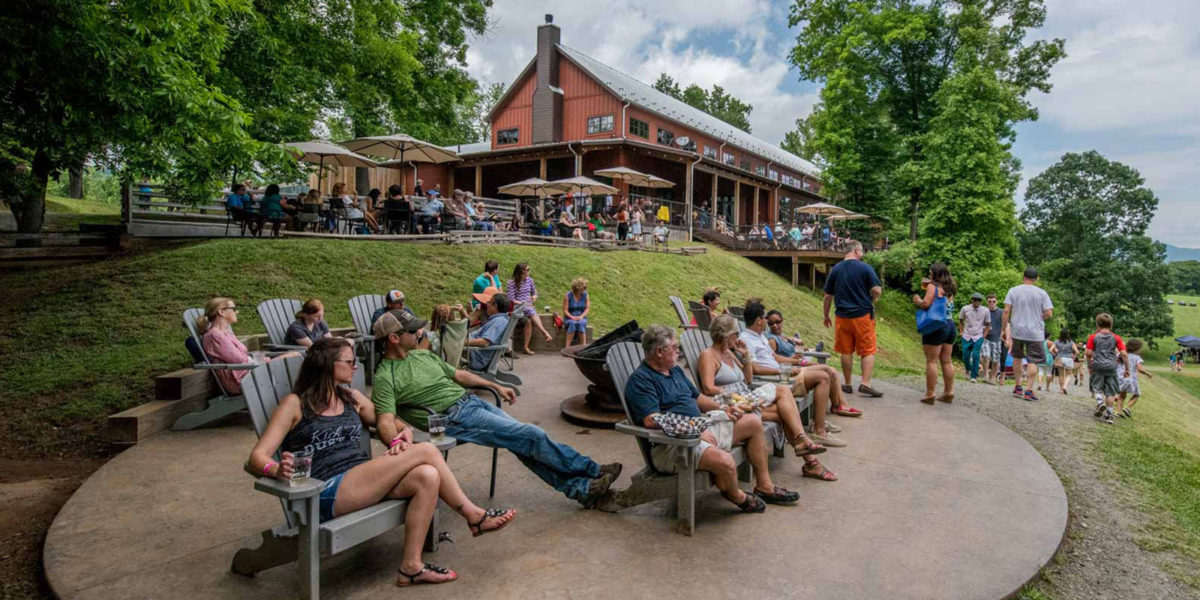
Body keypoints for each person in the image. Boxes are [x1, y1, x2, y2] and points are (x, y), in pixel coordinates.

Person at [247, 338, 516, 586]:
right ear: (327, 364)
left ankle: (411, 567)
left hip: (363, 480)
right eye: (349, 361)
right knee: (425, 451)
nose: (355, 366)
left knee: (427, 476)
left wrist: (402, 430)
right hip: (325, 491)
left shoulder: (351, 398)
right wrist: (276, 469)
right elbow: (257, 458)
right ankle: (474, 516)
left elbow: (386, 419)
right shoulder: (294, 405)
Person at [370, 310, 621, 507]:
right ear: (394, 338)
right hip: (452, 419)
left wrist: (495, 386)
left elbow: (459, 375)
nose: (419, 332)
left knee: (522, 442)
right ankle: (591, 470)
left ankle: (581, 490)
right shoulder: (385, 377)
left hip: (473, 404)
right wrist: (398, 446)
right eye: (412, 330)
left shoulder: (421, 356)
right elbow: (384, 421)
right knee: (531, 434)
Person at [624, 325, 799, 512]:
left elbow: (698, 398)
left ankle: (764, 485)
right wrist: (694, 430)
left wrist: (724, 407)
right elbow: (652, 420)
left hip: (701, 429)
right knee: (725, 462)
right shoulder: (641, 380)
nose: (678, 351)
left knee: (753, 422)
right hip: (674, 445)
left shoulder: (674, 371)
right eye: (674, 348)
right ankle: (737, 496)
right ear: (659, 352)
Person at [697, 316, 839, 482]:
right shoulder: (708, 355)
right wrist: (736, 398)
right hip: (731, 404)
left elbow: (747, 379)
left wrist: (746, 355)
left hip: (746, 398)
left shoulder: (728, 353)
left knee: (783, 397)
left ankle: (806, 449)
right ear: (726, 335)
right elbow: (708, 388)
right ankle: (810, 459)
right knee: (783, 409)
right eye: (736, 334)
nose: (738, 338)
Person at [739, 303, 854, 446]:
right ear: (758, 320)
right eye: (765, 318)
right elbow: (755, 369)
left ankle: (820, 422)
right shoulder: (746, 339)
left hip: (782, 374)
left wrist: (799, 363)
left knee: (827, 370)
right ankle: (819, 431)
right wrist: (784, 370)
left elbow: (776, 357)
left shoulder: (760, 336)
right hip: (774, 380)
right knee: (823, 377)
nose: (767, 322)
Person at [195, 297, 297, 394]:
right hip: (241, 380)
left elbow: (242, 357)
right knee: (294, 358)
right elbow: (239, 359)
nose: (237, 312)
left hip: (249, 372)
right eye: (233, 309)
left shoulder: (226, 333)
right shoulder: (214, 336)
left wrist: (261, 361)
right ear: (221, 312)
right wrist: (260, 362)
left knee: (295, 357)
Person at [823, 241, 884, 397]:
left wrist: (826, 315)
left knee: (846, 350)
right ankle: (865, 383)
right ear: (857, 251)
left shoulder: (835, 269)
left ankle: (848, 383)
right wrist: (872, 300)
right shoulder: (865, 268)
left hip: (842, 316)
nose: (862, 254)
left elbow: (828, 296)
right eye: (861, 251)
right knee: (868, 350)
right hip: (862, 315)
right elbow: (877, 290)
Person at [1001, 267, 1054, 402]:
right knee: (1034, 360)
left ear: (1023, 277)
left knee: (1017, 357)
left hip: (1017, 330)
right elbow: (1049, 313)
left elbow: (1006, 311)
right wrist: (1040, 317)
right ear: (1036, 279)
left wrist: (1004, 328)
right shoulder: (1041, 293)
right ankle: (1029, 391)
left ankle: (1018, 386)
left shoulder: (1013, 290)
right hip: (1035, 332)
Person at [912, 263, 958, 404]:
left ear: (936, 274)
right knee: (947, 361)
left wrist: (918, 301)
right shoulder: (950, 288)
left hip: (937, 325)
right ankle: (949, 392)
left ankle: (930, 394)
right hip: (950, 325)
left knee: (932, 361)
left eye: (931, 272)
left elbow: (926, 304)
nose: (929, 274)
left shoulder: (933, 286)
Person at [1086, 313, 1130, 425]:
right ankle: (1109, 415)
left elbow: (1088, 353)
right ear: (1111, 324)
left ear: (1097, 324)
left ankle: (1100, 402)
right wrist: (1127, 369)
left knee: (1096, 387)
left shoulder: (1093, 337)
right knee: (1110, 391)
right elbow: (1124, 354)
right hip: (1111, 366)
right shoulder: (1116, 338)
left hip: (1097, 365)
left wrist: (1089, 366)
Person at [507, 262, 554, 354]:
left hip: (528, 306)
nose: (528, 272)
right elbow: (511, 299)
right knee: (530, 311)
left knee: (530, 315)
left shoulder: (529, 280)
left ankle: (526, 346)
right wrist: (522, 303)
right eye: (527, 270)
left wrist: (534, 297)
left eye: (529, 270)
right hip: (517, 307)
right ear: (521, 272)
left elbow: (534, 292)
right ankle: (544, 332)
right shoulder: (512, 283)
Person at [466, 292, 511, 371]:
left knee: (446, 344)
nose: (487, 304)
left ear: (495, 306)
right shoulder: (498, 319)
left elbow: (485, 342)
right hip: (474, 351)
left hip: (475, 357)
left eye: (489, 302)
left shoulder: (499, 321)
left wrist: (462, 342)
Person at [1116, 338, 1152, 418]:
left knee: (1122, 396)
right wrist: (1148, 373)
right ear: (1137, 349)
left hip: (1120, 377)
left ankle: (1118, 412)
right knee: (1137, 394)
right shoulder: (1137, 357)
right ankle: (1127, 407)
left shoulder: (1121, 354)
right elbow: (1140, 369)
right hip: (1130, 379)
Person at [958, 292, 989, 383]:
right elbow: (960, 320)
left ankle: (974, 376)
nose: (977, 302)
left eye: (979, 300)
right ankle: (968, 368)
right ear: (972, 300)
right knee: (965, 355)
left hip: (978, 335)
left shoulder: (985, 310)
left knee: (976, 355)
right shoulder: (965, 309)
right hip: (967, 335)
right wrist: (961, 331)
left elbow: (988, 324)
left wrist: (984, 336)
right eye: (975, 300)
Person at [980, 294, 1006, 385]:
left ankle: (993, 378)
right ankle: (986, 374)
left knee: (995, 359)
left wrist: (1004, 335)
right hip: (986, 337)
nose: (992, 303)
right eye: (990, 301)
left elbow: (1005, 324)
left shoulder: (1001, 312)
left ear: (996, 302)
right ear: (987, 302)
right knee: (986, 355)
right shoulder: (984, 311)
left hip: (997, 338)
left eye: (993, 301)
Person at [563, 277, 590, 347]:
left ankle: (583, 346)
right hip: (569, 317)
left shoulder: (585, 295)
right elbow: (565, 310)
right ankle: (567, 347)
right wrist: (572, 317)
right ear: (578, 288)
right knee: (572, 323)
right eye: (583, 288)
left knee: (581, 323)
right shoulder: (568, 295)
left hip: (581, 317)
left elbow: (587, 309)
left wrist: (581, 316)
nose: (585, 289)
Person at [1055, 329, 1078, 395]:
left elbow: (1051, 350)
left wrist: (1056, 354)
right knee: (1069, 375)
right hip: (1069, 359)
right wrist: (1074, 358)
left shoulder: (1057, 341)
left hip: (1060, 359)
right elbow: (1077, 352)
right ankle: (1064, 387)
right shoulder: (1071, 342)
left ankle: (1061, 390)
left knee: (1061, 375)